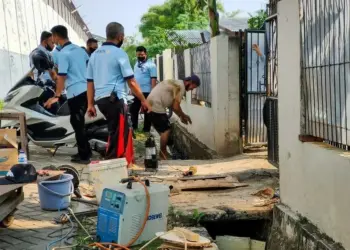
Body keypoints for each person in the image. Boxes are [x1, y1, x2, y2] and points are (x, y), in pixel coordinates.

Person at [86, 22, 152, 160]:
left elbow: (90, 82)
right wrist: (143, 100)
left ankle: (122, 162)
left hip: (101, 101)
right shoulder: (119, 53)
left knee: (117, 132)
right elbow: (132, 81)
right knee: (120, 135)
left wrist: (90, 104)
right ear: (120, 36)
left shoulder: (94, 55)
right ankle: (113, 167)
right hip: (115, 100)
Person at [44, 25, 92, 164]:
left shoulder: (64, 54)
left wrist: (57, 95)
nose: (52, 39)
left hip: (76, 92)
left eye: (53, 36)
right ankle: (84, 151)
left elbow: (62, 76)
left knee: (77, 123)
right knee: (78, 123)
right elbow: (89, 69)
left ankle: (84, 156)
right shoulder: (80, 50)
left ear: (56, 36)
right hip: (86, 90)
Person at [147, 76, 200, 159]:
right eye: (193, 87)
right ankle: (163, 154)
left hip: (151, 103)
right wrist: (183, 115)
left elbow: (173, 106)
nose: (191, 89)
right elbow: (175, 107)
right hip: (156, 105)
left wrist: (181, 116)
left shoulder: (177, 83)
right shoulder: (181, 87)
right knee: (166, 130)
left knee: (163, 130)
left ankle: (163, 152)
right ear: (190, 82)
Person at [130, 46, 157, 133]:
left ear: (146, 54)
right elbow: (134, 77)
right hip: (136, 91)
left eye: (141, 54)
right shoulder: (136, 64)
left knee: (147, 111)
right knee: (133, 110)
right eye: (138, 55)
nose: (140, 56)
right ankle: (134, 128)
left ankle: (146, 129)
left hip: (147, 91)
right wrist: (132, 89)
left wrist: (152, 92)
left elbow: (153, 78)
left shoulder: (151, 65)